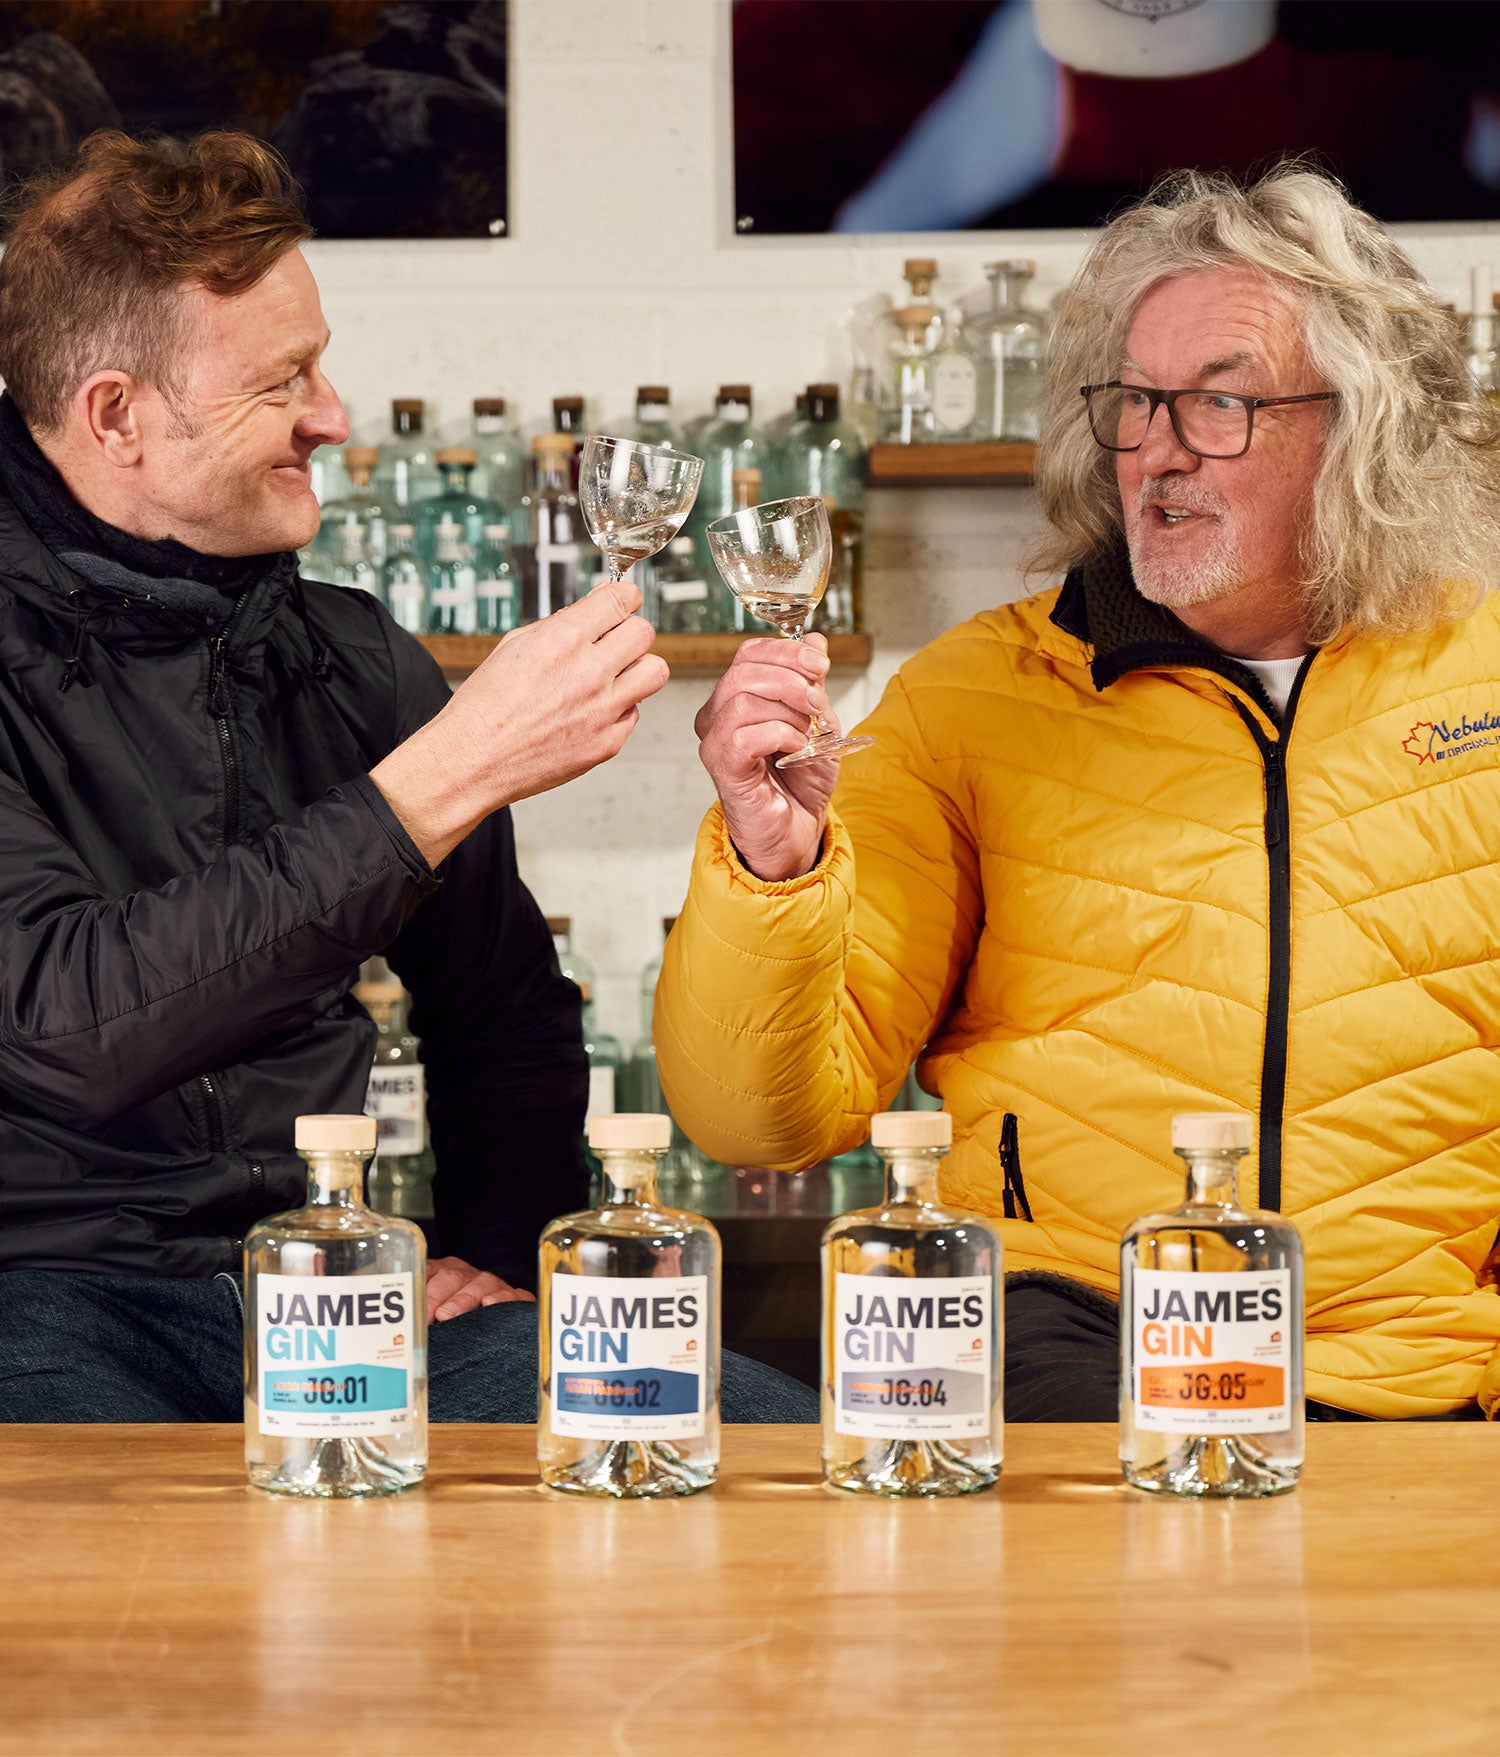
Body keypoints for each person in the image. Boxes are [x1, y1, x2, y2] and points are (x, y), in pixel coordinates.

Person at [657, 164, 1500, 1423]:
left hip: (1416, 1374)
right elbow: (756, 1120)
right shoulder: (971, 699)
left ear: (1364, 427)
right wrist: (771, 868)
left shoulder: (1483, 677)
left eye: (1219, 401)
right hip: (1071, 1339)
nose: (1157, 449)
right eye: (1135, 400)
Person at [0, 130, 816, 1426]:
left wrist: (497, 1254)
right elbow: (65, 1023)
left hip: (331, 1282)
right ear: (117, 415)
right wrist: (438, 783)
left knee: (765, 1443)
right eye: (283, 380)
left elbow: (507, 1014)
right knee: (97, 1530)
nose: (332, 415)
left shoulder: (352, 656)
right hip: (40, 1296)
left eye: (320, 364)